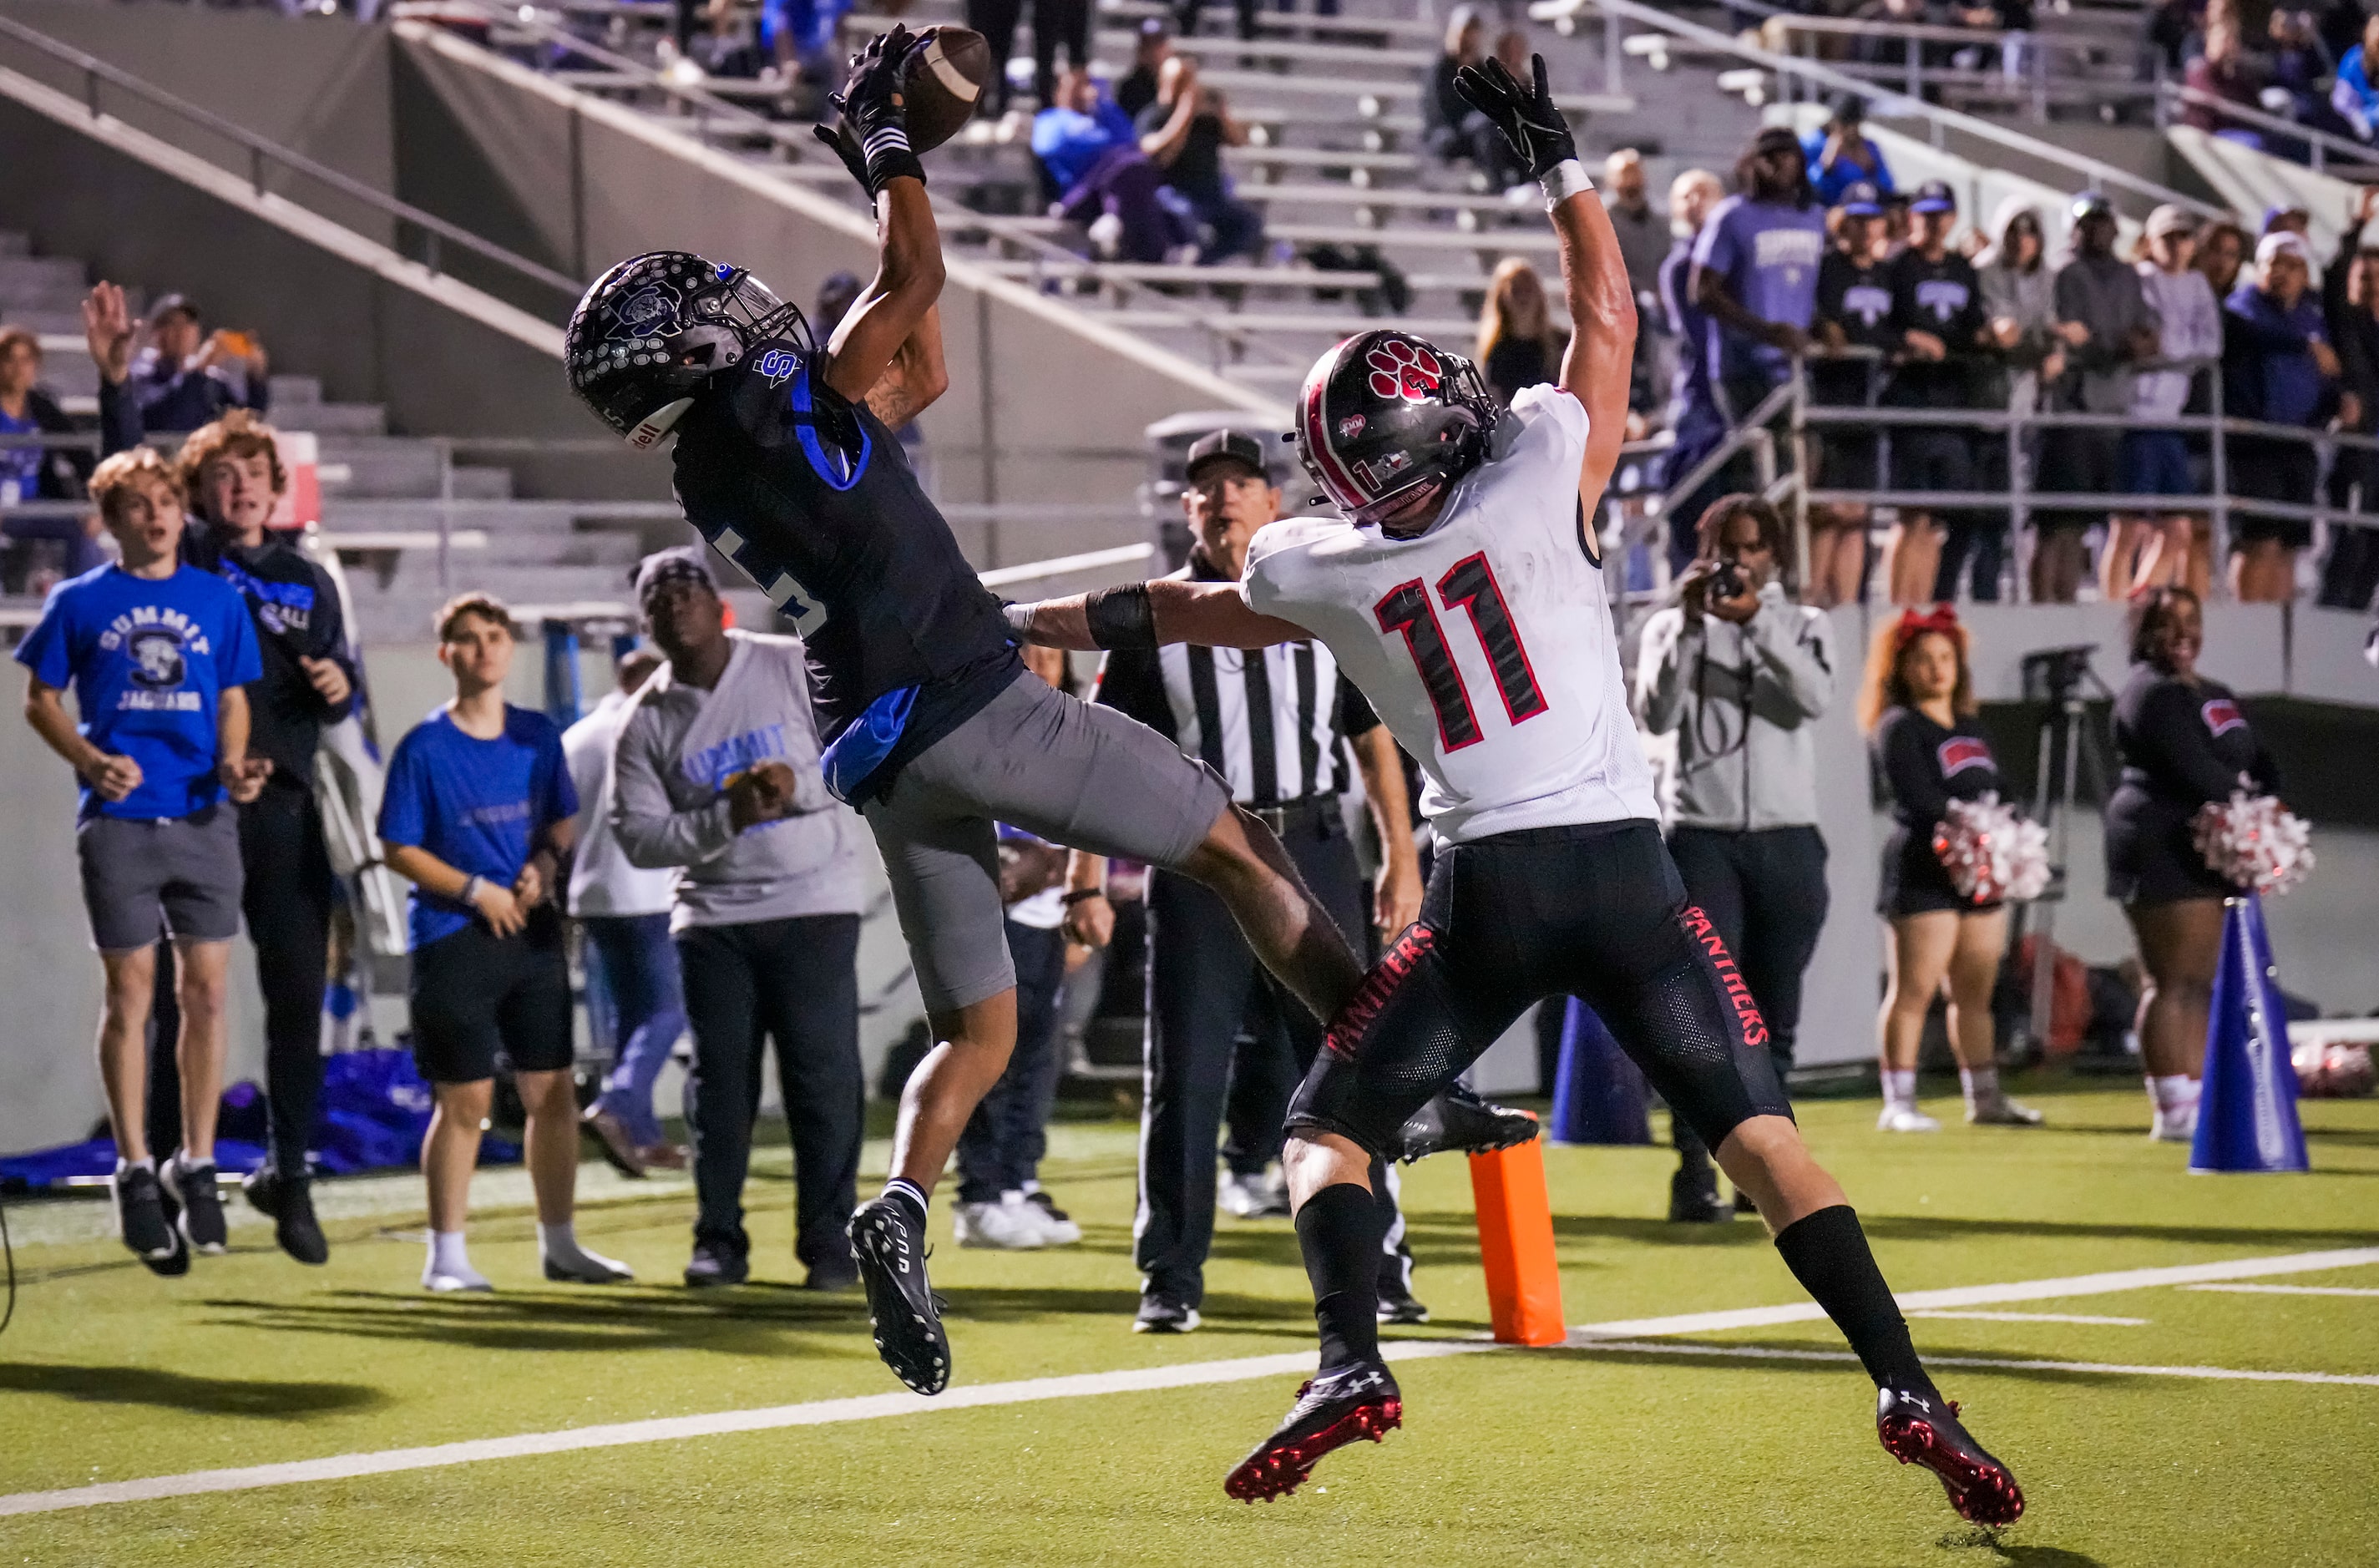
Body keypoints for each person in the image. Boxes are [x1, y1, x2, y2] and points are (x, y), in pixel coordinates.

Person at [1008, 55, 2024, 1526]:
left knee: (1323, 1133)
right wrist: (1555, 162)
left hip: (1487, 889)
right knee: (1760, 1142)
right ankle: (1903, 1385)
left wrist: (1042, 624)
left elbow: (1195, 603)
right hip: (1625, 869)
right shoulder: (1539, 464)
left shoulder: (1318, 564)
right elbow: (1606, 317)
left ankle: (1345, 1356)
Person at [567, 24, 1414, 1399]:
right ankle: (1392, 1075)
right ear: (692, 346)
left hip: (880, 754)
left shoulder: (716, 466)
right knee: (1237, 845)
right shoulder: (767, 410)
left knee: (983, 1029)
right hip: (962, 692)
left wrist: (907, 199)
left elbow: (919, 371)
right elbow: (907, 280)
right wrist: (889, 150)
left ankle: (900, 1204)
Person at [1063, 427, 1452, 1333]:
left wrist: (1397, 854)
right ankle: (1169, 1275)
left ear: (1272, 501)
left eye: (1241, 482)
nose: (1223, 498)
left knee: (1354, 1061)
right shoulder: (1152, 620)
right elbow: (1096, 755)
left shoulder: (1318, 601)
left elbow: (1367, 739)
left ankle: (1379, 1264)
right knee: (1185, 1074)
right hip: (1202, 859)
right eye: (1205, 488)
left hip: (1314, 849)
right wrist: (1086, 880)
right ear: (1187, 508)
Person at [17, 447, 265, 1274]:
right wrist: (88, 760)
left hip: (202, 816)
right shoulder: (78, 600)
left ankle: (195, 1162)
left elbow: (232, 697)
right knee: (131, 995)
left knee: (208, 992)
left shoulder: (217, 599)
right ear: (111, 518)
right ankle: (131, 1169)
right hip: (119, 820)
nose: (156, 515)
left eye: (166, 501)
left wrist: (234, 763)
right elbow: (38, 699)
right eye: (138, 504)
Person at [610, 549, 867, 1288]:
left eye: (686, 584)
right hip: (712, 917)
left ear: (718, 601)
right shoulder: (646, 720)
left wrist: (800, 787)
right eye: (656, 593)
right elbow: (638, 837)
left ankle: (828, 1244)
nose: (673, 600)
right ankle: (718, 1241)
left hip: (814, 900)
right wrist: (726, 817)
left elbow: (860, 749)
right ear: (644, 622)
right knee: (719, 1088)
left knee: (823, 1081)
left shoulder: (787, 665)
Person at [379, 593, 631, 1293]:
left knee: (551, 1091)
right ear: (446, 654)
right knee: (463, 1101)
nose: (485, 648)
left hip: (532, 934)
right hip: (454, 936)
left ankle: (561, 1243)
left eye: (495, 635)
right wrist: (474, 890)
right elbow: (397, 845)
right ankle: (446, 1256)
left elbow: (559, 826)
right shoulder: (424, 747)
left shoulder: (537, 734)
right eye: (468, 638)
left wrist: (542, 870)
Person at [159, 412, 357, 1267]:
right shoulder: (188, 558)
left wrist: (337, 682)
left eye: (252, 474)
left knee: (297, 1000)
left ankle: (289, 1174)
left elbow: (341, 694)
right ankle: (177, 1167)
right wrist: (117, 386)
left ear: (276, 487)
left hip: (285, 806)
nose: (239, 489)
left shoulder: (308, 576)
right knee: (187, 996)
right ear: (197, 494)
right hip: (199, 804)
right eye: (221, 477)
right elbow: (126, 489)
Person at [1635, 495, 1836, 1222]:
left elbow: (1811, 700)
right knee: (1703, 1016)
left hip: (1787, 838)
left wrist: (1757, 624)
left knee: (1774, 1018)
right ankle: (1694, 1174)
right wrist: (1692, 625)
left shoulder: (1804, 624)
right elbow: (1654, 714)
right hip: (1702, 837)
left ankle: (1769, 1177)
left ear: (1773, 557)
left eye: (1751, 548)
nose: (1737, 562)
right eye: (1724, 547)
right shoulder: (1668, 623)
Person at [2107, 588, 2280, 1141]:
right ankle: (2171, 1106)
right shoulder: (2145, 694)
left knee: (2203, 981)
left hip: (2212, 843)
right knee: (2171, 979)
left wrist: (2271, 801)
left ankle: (2198, 1092)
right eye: (2165, 624)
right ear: (2142, 633)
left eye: (2190, 621)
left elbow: (2258, 757)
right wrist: (2246, 801)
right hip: (2160, 838)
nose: (2181, 634)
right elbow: (2189, 765)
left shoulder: (2217, 693)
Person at [1861, 607, 2041, 1132]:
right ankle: (1899, 1102)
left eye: (1946, 659)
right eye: (1924, 660)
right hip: (1924, 867)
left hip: (1979, 872)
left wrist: (2005, 836)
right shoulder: (1898, 726)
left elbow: (2002, 790)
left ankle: (1984, 1099)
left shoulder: (1971, 727)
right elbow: (1917, 797)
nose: (1937, 670)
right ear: (1902, 668)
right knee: (1914, 990)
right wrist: (1970, 828)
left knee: (1975, 994)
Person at [949, 644, 1086, 1252]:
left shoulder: (1076, 728)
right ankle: (976, 1196)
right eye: (1027, 653)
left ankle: (1014, 1183)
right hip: (992, 917)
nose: (1039, 664)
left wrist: (1077, 900)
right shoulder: (976, 724)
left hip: (1048, 920)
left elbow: (1091, 821)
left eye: (1050, 655)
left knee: (1035, 1059)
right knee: (986, 1060)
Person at [564, 642, 689, 1178]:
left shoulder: (576, 737)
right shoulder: (653, 731)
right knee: (668, 1011)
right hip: (647, 892)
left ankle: (639, 1137)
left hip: (592, 896)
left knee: (632, 1016)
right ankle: (616, 1105)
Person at [2041, 194, 2155, 603]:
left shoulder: (2128, 275)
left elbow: (2143, 328)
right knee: (2060, 521)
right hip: (2072, 403)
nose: (2096, 230)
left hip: (2114, 407)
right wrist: (2114, 350)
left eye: (2103, 222)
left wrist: (2139, 343)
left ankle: (2073, 600)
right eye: (2087, 223)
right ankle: (2051, 606)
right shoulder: (2064, 271)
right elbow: (2069, 334)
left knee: (2096, 518)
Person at [1885, 182, 1994, 607]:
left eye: (1941, 214)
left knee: (1940, 519)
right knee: (1912, 515)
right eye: (1925, 214)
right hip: (1911, 398)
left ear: (1952, 218)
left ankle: (1927, 604)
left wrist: (1985, 335)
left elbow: (1971, 327)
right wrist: (1906, 337)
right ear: (1913, 216)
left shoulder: (1962, 268)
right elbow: (1878, 323)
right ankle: (1901, 607)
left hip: (1952, 398)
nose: (1933, 223)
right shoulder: (1897, 266)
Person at [2108, 205, 2221, 601]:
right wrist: (2178, 352)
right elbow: (2146, 337)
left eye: (2184, 237)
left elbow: (2211, 344)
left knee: (2178, 529)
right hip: (2138, 415)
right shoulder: (2139, 280)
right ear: (2151, 243)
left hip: (2171, 418)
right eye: (2168, 238)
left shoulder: (2197, 284)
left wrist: (2172, 350)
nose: (2176, 246)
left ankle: (2140, 598)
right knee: (2128, 527)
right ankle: (2114, 605)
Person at [2224, 230, 2340, 601]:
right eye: (2275, 263)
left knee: (2289, 544)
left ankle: (2276, 634)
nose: (2283, 273)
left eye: (2293, 265)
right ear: (2258, 268)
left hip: (2298, 442)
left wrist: (2333, 407)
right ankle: (2248, 627)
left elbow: (2326, 376)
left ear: (2305, 274)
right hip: (2256, 441)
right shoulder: (2245, 306)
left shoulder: (2311, 317)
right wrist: (2304, 345)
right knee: (2258, 541)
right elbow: (2251, 335)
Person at [1693, 126, 1826, 435]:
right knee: (1760, 462)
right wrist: (1766, 331)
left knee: (1805, 458)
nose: (1778, 164)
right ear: (1754, 162)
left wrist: (1822, 324)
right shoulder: (1731, 216)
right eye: (1769, 157)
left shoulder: (1815, 217)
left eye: (1787, 155)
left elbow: (1802, 286)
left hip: (1795, 362)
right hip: (1743, 366)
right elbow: (1702, 291)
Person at [1807, 183, 1893, 607]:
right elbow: (1809, 313)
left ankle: (1844, 608)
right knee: (1827, 512)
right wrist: (1823, 325)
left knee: (1857, 514)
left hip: (1868, 402)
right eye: (1854, 219)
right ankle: (1816, 601)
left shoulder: (1885, 273)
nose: (1862, 229)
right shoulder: (1826, 269)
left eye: (1869, 219)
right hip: (1830, 398)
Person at [1035, 67, 1189, 265]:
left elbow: (1131, 142)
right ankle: (1158, 253)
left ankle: (1115, 222)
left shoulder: (1104, 115)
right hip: (1080, 193)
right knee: (1123, 165)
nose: (1082, 92)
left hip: (1118, 185)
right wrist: (1098, 141)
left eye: (1086, 85)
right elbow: (1050, 146)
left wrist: (1100, 109)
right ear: (1059, 92)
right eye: (1075, 87)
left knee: (1132, 166)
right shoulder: (1051, 119)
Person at [1659, 167, 1730, 579]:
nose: (1695, 202)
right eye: (1685, 195)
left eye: (1704, 192)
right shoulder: (1681, 267)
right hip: (1699, 400)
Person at [1135, 55, 1263, 266]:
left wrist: (1222, 113)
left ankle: (1207, 263)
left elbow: (1238, 141)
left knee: (1250, 223)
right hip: (1175, 193)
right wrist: (1184, 114)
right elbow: (1155, 151)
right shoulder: (1154, 116)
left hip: (1210, 193)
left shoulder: (1206, 118)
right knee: (1189, 226)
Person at [0, 325, 99, 586]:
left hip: (31, 505)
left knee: (82, 529)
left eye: (26, 360)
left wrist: (94, 503)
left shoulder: (41, 407)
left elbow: (81, 454)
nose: (19, 368)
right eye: (10, 359)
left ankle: (79, 608)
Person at [111, 291, 269, 435]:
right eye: (173, 324)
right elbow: (155, 417)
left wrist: (256, 377)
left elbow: (247, 421)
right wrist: (198, 370)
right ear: (156, 332)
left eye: (188, 323)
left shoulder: (210, 378)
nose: (182, 331)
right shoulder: (141, 372)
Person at [1421, 7, 1525, 190]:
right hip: (1448, 135)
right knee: (1487, 134)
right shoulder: (1441, 70)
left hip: (1479, 132)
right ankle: (1498, 190)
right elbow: (1439, 111)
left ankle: (1528, 186)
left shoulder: (1481, 70)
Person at [1475, 257, 1566, 405]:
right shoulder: (1496, 352)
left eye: (1528, 290)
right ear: (1502, 298)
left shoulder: (1561, 345)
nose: (1523, 297)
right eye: (1515, 291)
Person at [1802, 94, 1896, 209]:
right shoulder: (1813, 144)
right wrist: (1826, 166)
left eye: (1855, 124)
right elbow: (1808, 187)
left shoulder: (1869, 148)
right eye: (1845, 124)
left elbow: (1889, 187)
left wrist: (1871, 169)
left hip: (1862, 210)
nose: (1850, 130)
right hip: (1825, 210)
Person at [1113, 16, 1172, 120]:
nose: (1152, 51)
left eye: (1157, 44)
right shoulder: (1129, 87)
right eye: (1147, 45)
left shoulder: (1175, 83)